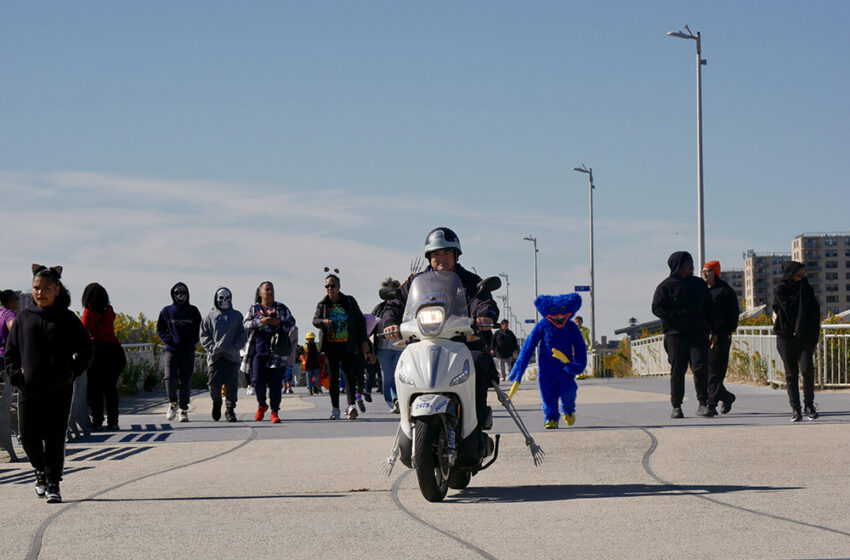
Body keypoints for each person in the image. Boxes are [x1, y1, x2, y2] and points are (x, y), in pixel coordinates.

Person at [381, 227, 500, 428]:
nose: (441, 258)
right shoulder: (414, 282)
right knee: (405, 366)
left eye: (446, 253)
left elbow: (483, 301)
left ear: (455, 255)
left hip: (463, 342)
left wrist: (484, 317)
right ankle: (406, 421)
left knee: (478, 363)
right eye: (436, 254)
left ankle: (475, 425)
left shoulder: (470, 281)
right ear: (429, 257)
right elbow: (394, 303)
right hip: (423, 342)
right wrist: (390, 322)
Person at [5, 265, 92, 503]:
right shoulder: (24, 319)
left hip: (59, 388)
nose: (40, 293)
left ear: (57, 289)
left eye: (45, 289)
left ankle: (53, 482)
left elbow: (86, 349)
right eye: (36, 288)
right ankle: (40, 471)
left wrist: (72, 372)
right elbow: (11, 354)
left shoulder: (67, 319)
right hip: (28, 388)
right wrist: (16, 377)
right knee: (28, 436)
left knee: (54, 436)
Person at [651, 251, 714, 418]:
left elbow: (709, 307)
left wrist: (712, 329)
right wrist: (675, 316)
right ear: (678, 266)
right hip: (675, 335)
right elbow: (656, 308)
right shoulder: (665, 287)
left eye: (692, 262)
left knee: (700, 367)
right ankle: (676, 406)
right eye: (688, 263)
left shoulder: (699, 284)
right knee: (678, 370)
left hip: (698, 334)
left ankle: (703, 403)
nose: (691, 266)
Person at [312, 273, 369, 420]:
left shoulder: (349, 301)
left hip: (347, 345)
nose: (330, 288)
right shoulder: (323, 304)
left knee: (349, 376)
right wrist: (322, 322)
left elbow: (360, 321)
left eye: (333, 285)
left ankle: (351, 406)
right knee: (333, 379)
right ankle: (335, 409)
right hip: (330, 347)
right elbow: (315, 320)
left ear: (339, 286)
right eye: (327, 286)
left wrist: (364, 341)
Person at [773, 261, 821, 422]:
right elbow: (788, 310)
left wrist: (813, 336)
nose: (802, 278)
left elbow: (814, 311)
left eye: (803, 275)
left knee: (807, 370)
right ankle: (796, 409)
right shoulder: (781, 290)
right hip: (786, 337)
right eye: (799, 275)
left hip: (806, 337)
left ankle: (809, 405)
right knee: (791, 374)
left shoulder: (807, 289)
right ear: (790, 274)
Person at [243, 281, 296, 424]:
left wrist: (279, 324)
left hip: (277, 350)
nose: (270, 292)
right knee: (257, 380)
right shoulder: (254, 309)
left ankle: (274, 411)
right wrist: (261, 322)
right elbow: (245, 324)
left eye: (272, 289)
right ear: (260, 293)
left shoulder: (281, 308)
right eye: (267, 290)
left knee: (275, 382)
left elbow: (292, 323)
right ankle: (262, 404)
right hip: (258, 349)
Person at [80, 283, 126, 430]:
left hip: (97, 351)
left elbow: (84, 331)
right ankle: (113, 421)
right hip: (114, 350)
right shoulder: (109, 310)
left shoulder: (89, 312)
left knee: (95, 389)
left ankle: (97, 420)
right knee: (111, 388)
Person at [199, 287, 247, 422]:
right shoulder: (210, 316)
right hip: (215, 357)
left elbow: (243, 334)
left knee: (232, 385)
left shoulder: (237, 316)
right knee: (213, 385)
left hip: (232, 357)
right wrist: (212, 348)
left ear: (231, 298)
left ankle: (230, 410)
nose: (224, 301)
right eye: (221, 298)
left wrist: (236, 347)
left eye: (227, 298)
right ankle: (217, 402)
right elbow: (204, 335)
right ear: (216, 299)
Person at [157, 282, 202, 423]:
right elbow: (159, 329)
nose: (180, 295)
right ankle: (172, 403)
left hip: (188, 350)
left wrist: (191, 342)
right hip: (172, 350)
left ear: (187, 294)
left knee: (186, 379)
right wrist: (169, 340)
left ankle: (183, 409)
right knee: (169, 377)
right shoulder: (166, 311)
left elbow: (199, 330)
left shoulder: (193, 311)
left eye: (183, 292)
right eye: (177, 293)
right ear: (172, 294)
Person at [701, 261, 740, 414]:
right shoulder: (702, 291)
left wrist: (718, 333)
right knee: (707, 371)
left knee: (716, 370)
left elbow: (732, 317)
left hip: (721, 336)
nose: (704, 274)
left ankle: (711, 404)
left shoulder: (725, 291)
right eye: (703, 271)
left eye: (708, 271)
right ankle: (726, 396)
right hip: (704, 336)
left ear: (715, 273)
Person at [372, 278, 401, 412]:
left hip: (401, 347)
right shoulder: (379, 308)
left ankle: (399, 400)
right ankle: (392, 402)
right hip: (384, 348)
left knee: (398, 375)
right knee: (387, 377)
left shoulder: (403, 306)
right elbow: (370, 324)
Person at [0, 289, 20, 371]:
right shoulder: (10, 314)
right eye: (17, 299)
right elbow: (15, 329)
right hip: (7, 358)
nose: (17, 302)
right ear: (11, 301)